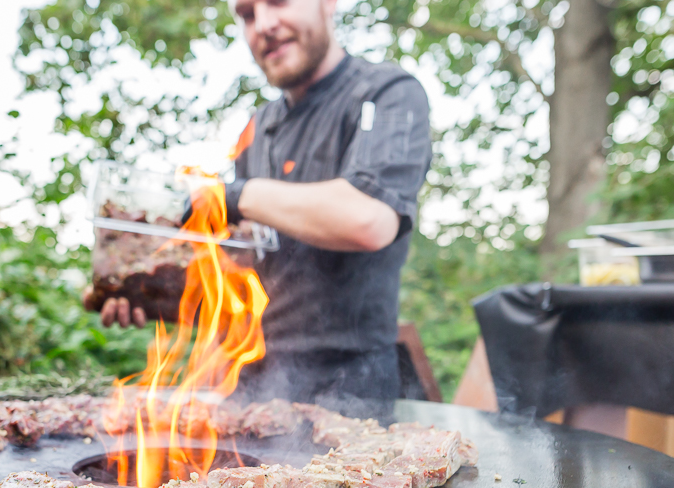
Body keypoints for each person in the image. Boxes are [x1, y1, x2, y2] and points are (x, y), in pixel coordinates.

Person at [89, 0, 432, 404]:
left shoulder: (387, 92)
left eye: (277, 1)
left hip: (348, 385)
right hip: (251, 379)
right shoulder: (261, 125)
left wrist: (227, 195)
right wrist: (146, 286)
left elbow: (368, 219)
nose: (264, 25)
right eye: (247, 14)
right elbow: (243, 265)